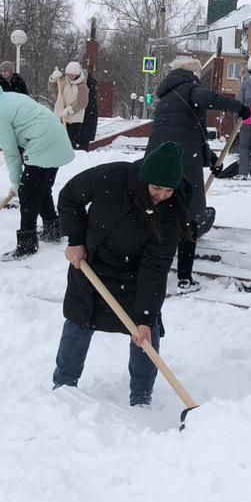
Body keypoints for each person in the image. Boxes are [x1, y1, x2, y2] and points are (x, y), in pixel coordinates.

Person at [51, 142, 190, 408]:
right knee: (79, 320)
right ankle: (63, 386)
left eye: (168, 190)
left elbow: (155, 269)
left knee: (146, 333)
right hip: (92, 262)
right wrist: (76, 240)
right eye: (156, 188)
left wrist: (145, 317)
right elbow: (69, 196)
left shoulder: (171, 214)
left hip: (135, 276)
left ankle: (141, 398)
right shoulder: (112, 177)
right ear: (144, 179)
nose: (161, 195)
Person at [146, 55, 250, 293]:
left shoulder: (165, 96)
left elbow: (191, 130)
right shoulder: (190, 88)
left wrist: (211, 160)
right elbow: (209, 99)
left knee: (159, 213)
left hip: (157, 160)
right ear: (193, 74)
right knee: (188, 219)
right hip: (182, 162)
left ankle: (153, 270)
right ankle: (184, 278)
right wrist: (240, 108)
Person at [0, 73, 76, 260]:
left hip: (43, 143)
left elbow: (10, 151)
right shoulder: (9, 97)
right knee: (40, 189)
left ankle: (27, 245)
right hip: (57, 140)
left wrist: (16, 182)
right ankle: (52, 230)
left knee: (28, 194)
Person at [49, 61, 90, 148]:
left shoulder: (82, 86)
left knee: (69, 141)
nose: (70, 77)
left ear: (77, 74)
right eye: (69, 74)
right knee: (59, 140)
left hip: (75, 118)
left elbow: (82, 102)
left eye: (73, 75)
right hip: (61, 115)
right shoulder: (63, 82)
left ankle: (73, 157)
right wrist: (53, 78)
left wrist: (69, 110)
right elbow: (53, 89)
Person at [80, 69, 99, 150]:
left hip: (85, 118)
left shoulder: (87, 87)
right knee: (84, 142)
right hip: (89, 119)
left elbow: (86, 103)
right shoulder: (91, 85)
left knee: (82, 143)